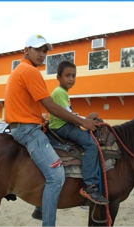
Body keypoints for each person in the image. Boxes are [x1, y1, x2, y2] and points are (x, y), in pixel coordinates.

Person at [4, 34, 100, 227]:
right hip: (28, 130)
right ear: (26, 50)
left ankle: (40, 207)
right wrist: (82, 122)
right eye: (38, 49)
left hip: (30, 126)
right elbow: (51, 106)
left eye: (45, 51)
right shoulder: (30, 72)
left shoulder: (22, 70)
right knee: (56, 177)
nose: (42, 54)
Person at [49, 60, 109, 205]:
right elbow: (68, 115)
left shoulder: (63, 93)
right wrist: (86, 120)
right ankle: (90, 185)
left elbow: (70, 113)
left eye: (73, 76)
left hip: (65, 124)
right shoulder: (59, 92)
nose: (71, 79)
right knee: (91, 145)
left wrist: (85, 119)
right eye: (67, 75)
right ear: (58, 78)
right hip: (63, 127)